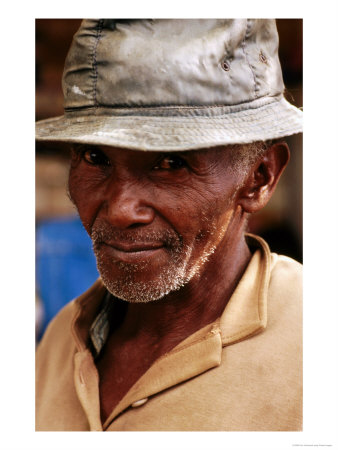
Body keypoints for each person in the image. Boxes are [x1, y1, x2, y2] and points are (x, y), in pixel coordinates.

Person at [35, 19, 303, 431]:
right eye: (95, 158)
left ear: (260, 177)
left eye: (171, 163)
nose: (121, 209)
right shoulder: (61, 340)